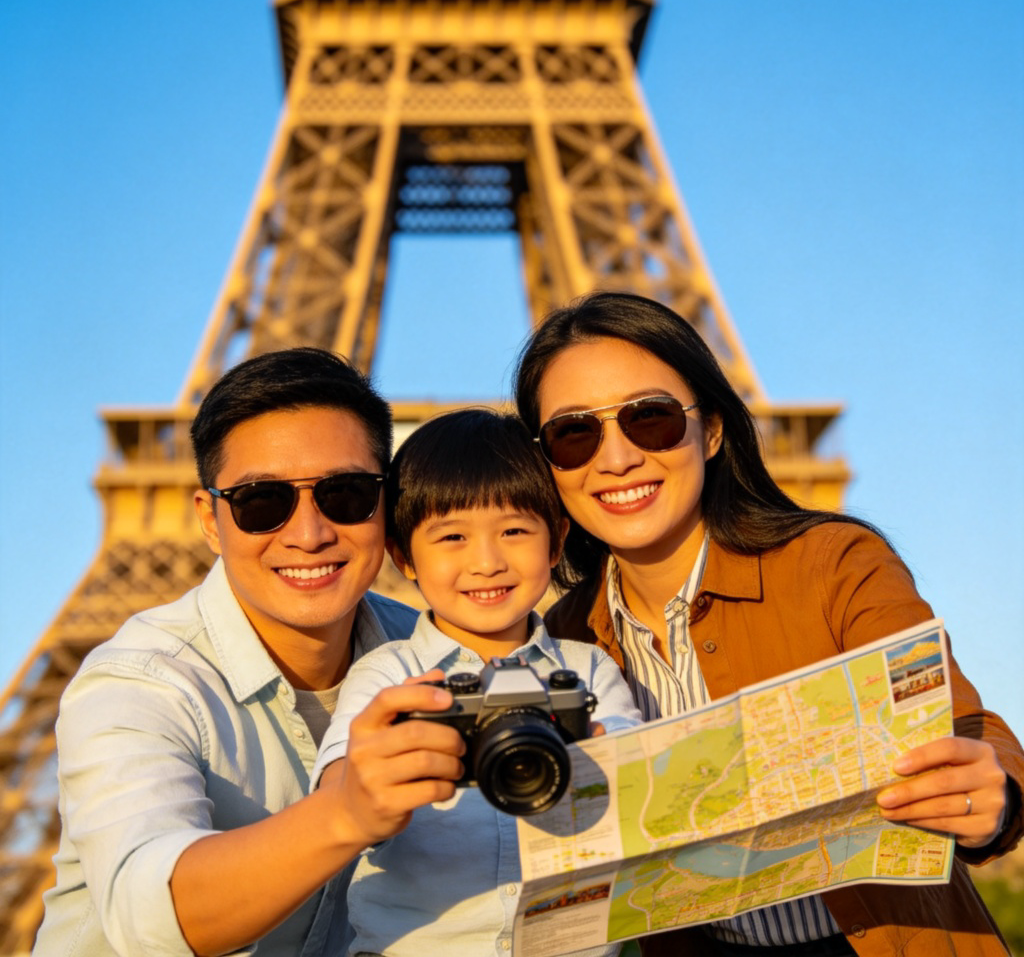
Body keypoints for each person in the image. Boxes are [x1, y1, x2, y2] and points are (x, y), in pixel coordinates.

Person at [512, 291, 1024, 957]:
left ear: (713, 430)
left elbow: (960, 726)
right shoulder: (559, 643)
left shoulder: (832, 564)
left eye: (651, 419)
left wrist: (997, 796)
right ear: (546, 462)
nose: (616, 459)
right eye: (574, 433)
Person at [34, 347, 464, 957]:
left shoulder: (438, 655)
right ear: (211, 520)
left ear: (385, 503)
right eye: (263, 501)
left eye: (345, 494)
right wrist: (345, 812)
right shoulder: (136, 683)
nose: (309, 533)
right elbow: (150, 916)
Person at [311, 408, 643, 957]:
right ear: (403, 555)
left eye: (514, 530)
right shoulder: (390, 676)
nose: (486, 562)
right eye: (452, 537)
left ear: (557, 542)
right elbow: (338, 795)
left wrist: (599, 761)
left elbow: (634, 788)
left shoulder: (587, 671)